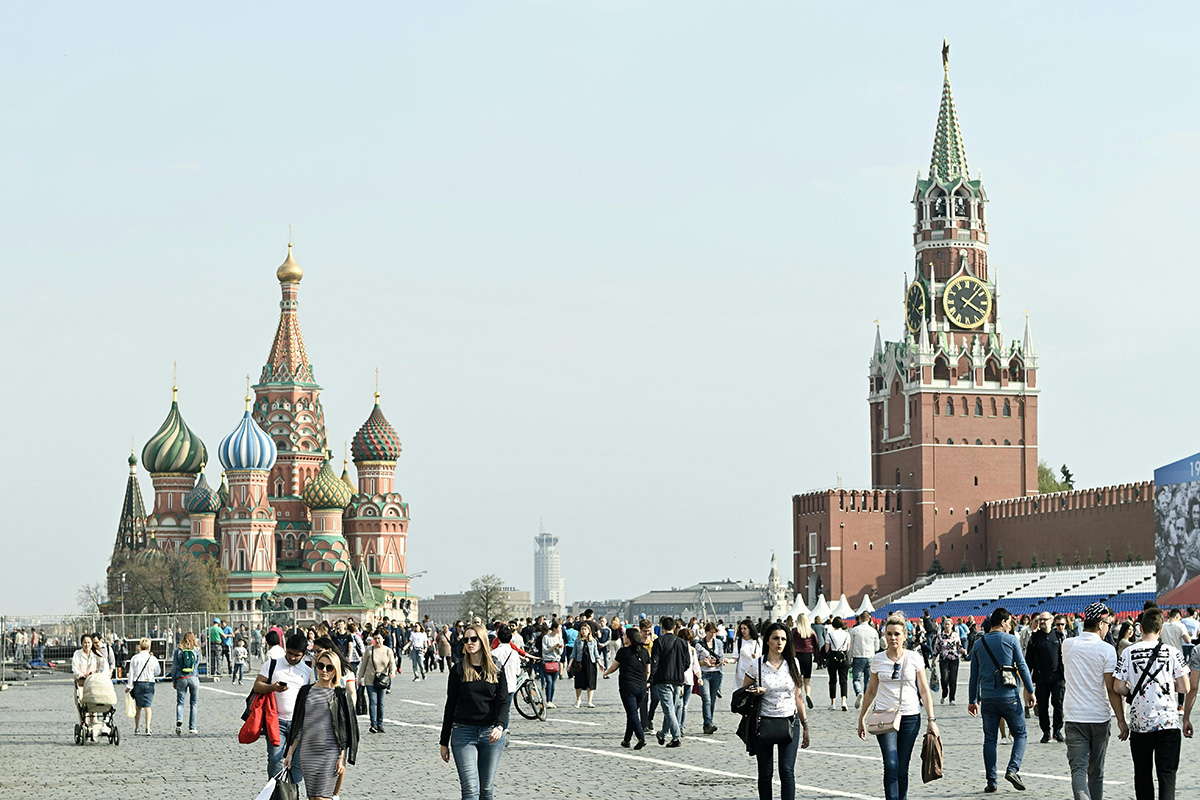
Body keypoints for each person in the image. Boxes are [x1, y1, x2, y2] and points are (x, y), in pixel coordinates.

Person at [857, 615, 938, 800]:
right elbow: (871, 691)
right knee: (891, 764)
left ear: (904, 636)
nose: (893, 638)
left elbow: (924, 690)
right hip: (884, 717)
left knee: (902, 767)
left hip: (910, 716)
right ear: (884, 635)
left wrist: (931, 720)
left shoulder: (915, 658)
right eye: (889, 634)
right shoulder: (878, 659)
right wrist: (862, 717)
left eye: (897, 634)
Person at [1114, 607, 1190, 800]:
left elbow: (1118, 686)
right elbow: (1185, 687)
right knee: (1167, 776)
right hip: (1168, 723)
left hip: (1141, 724)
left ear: (1140, 628)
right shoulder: (1172, 652)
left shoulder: (1129, 652)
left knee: (1143, 776)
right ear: (1160, 630)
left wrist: (1131, 690)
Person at [1061, 602, 1125, 800]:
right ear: (1100, 624)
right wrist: (1121, 720)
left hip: (1074, 715)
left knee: (1078, 769)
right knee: (1096, 772)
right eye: (1107, 623)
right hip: (1099, 716)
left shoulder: (1067, 644)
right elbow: (1111, 688)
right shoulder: (1107, 650)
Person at [968, 607, 1035, 793]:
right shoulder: (1011, 639)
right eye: (1009, 622)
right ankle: (1013, 769)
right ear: (1004, 622)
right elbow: (1022, 666)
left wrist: (972, 699)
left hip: (988, 698)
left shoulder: (978, 644)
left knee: (990, 740)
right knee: (1020, 734)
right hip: (1009, 696)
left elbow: (974, 676)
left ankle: (991, 781)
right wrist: (1030, 690)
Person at [440, 623, 510, 800]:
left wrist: (500, 726)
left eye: (474, 639)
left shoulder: (496, 668)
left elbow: (503, 702)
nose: (469, 643)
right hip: (463, 732)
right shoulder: (458, 669)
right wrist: (443, 741)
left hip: (490, 734)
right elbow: (450, 705)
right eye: (466, 640)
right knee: (470, 789)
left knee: (486, 789)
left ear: (483, 640)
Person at [744, 622, 811, 800]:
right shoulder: (756, 665)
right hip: (764, 722)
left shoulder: (793, 663)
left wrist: (805, 725)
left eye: (783, 638)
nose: (779, 642)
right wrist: (754, 692)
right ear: (767, 641)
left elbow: (798, 697)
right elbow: (742, 694)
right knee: (765, 772)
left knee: (787, 771)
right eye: (775, 638)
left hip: (790, 721)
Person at [282, 649, 359, 800]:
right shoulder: (305, 691)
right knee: (313, 797)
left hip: (330, 752)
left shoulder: (340, 694)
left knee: (322, 797)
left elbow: (346, 729)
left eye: (329, 668)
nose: (324, 670)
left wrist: (342, 758)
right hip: (307, 752)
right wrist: (290, 753)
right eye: (320, 666)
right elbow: (299, 725)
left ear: (335, 670)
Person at [252, 633, 314, 785]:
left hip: (298, 723)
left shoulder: (307, 672)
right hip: (275, 721)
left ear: (304, 654)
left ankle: (294, 793)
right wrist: (273, 687)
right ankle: (275, 791)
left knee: (297, 763)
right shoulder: (272, 664)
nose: (292, 657)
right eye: (290, 653)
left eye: (296, 655)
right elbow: (257, 686)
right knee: (275, 759)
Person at [604, 626, 650, 749]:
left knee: (632, 713)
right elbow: (648, 671)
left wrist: (606, 673)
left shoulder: (623, 651)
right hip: (641, 688)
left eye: (625, 636)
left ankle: (641, 737)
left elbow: (614, 666)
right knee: (632, 713)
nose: (623, 638)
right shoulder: (644, 652)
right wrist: (645, 682)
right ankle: (626, 740)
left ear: (629, 639)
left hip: (627, 687)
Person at [1027, 612, 1066, 743]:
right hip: (1041, 678)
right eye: (1039, 620)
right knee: (1042, 707)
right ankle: (1046, 732)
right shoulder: (1034, 638)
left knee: (1058, 704)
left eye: (1044, 620)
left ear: (1051, 620)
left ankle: (1057, 730)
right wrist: (1027, 680)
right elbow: (1029, 660)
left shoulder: (1059, 636)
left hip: (1057, 677)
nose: (1042, 622)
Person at [649, 615, 689, 747]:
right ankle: (663, 734)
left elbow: (654, 662)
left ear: (662, 627)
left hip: (663, 679)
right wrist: (678, 671)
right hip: (678, 680)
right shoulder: (682, 643)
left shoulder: (659, 642)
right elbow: (687, 663)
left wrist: (651, 678)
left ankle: (676, 737)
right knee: (671, 709)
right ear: (674, 627)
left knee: (668, 710)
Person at [357, 633, 397, 734]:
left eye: (379, 638)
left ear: (383, 639)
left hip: (383, 680)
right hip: (370, 679)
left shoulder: (388, 650)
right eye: (375, 639)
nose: (377, 640)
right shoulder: (369, 650)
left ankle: (380, 724)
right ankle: (373, 724)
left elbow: (392, 663)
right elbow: (363, 665)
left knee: (381, 703)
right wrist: (359, 677)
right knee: (373, 701)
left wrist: (392, 671)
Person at [126, 637, 161, 735]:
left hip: (138, 683)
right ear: (149, 647)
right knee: (148, 706)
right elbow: (158, 672)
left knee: (138, 707)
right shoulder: (153, 659)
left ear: (140, 647)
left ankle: (137, 728)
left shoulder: (135, 658)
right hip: (149, 683)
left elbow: (131, 673)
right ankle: (147, 728)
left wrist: (129, 686)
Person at [696, 622, 726, 733]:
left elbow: (721, 658)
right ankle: (708, 723)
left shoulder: (718, 642)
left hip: (716, 673)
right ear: (706, 632)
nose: (712, 635)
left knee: (712, 700)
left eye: (714, 632)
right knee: (706, 699)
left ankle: (709, 723)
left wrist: (717, 663)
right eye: (710, 632)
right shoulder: (699, 644)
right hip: (704, 674)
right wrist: (704, 663)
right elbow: (696, 662)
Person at [170, 631, 201, 735]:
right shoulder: (196, 650)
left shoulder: (178, 650)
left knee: (180, 702)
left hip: (181, 678)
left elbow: (174, 667)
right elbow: (197, 664)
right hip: (193, 678)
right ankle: (192, 727)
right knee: (194, 703)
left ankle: (179, 720)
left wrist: (174, 680)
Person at [932, 616, 966, 705]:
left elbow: (959, 646)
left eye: (948, 624)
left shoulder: (955, 635)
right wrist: (933, 659)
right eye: (945, 624)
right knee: (944, 679)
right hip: (944, 659)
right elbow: (936, 648)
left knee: (953, 680)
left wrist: (963, 650)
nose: (947, 626)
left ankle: (952, 699)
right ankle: (944, 694)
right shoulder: (940, 636)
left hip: (954, 659)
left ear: (951, 625)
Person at [850, 612, 880, 709]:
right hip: (870, 656)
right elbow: (877, 647)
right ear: (869, 619)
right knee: (868, 680)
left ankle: (859, 692)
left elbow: (851, 646)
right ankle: (867, 699)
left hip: (858, 656)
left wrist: (850, 658)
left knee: (856, 679)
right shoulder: (873, 631)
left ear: (860, 619)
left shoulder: (854, 630)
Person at [567, 622, 599, 708]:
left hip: (590, 663)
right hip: (579, 663)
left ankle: (590, 701)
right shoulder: (577, 641)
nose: (583, 631)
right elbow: (573, 654)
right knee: (579, 682)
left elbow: (596, 654)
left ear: (589, 631)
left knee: (590, 682)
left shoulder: (593, 641)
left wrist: (600, 664)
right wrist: (569, 665)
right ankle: (578, 700)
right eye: (582, 629)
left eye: (585, 629)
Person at [825, 617, 851, 711]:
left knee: (832, 680)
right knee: (843, 680)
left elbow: (827, 648)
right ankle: (844, 700)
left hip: (833, 657)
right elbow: (848, 648)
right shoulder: (847, 634)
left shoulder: (830, 634)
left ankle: (833, 703)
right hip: (843, 657)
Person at [540, 621, 563, 709]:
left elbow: (561, 652)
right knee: (549, 681)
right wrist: (554, 646)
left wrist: (559, 648)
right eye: (559, 628)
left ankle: (551, 701)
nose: (560, 630)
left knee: (553, 683)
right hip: (547, 661)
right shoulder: (546, 637)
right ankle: (548, 701)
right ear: (554, 628)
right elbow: (545, 650)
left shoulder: (559, 638)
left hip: (556, 661)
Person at [734, 619, 762, 690]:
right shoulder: (739, 641)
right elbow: (735, 658)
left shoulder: (757, 641)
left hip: (755, 671)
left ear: (750, 629)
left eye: (745, 628)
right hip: (741, 672)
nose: (743, 630)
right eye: (741, 628)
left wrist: (757, 656)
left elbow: (763, 655)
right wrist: (726, 660)